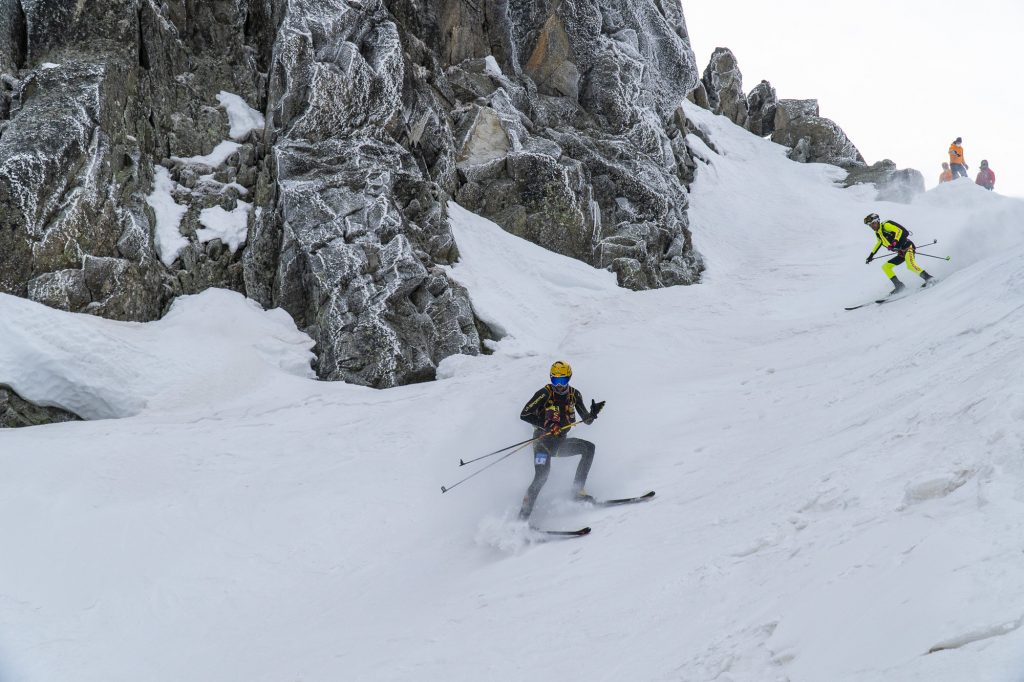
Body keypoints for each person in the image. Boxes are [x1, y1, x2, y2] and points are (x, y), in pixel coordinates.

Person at [518, 361, 605, 520]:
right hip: (542, 443)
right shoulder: (544, 393)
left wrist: (592, 415)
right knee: (541, 477)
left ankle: (577, 491)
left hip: (559, 443)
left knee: (588, 448)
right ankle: (522, 518)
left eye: (563, 380)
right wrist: (546, 424)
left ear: (569, 378)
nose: (559, 385)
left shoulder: (574, 394)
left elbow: (586, 420)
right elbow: (524, 414)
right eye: (555, 380)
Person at [863, 213, 934, 293]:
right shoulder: (878, 233)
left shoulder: (886, 226)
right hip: (901, 252)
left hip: (908, 247)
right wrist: (871, 255)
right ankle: (899, 286)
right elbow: (879, 242)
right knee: (886, 267)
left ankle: (929, 278)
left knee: (910, 265)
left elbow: (899, 231)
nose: (872, 226)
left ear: (877, 221)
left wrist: (895, 241)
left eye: (873, 223)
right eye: (870, 225)